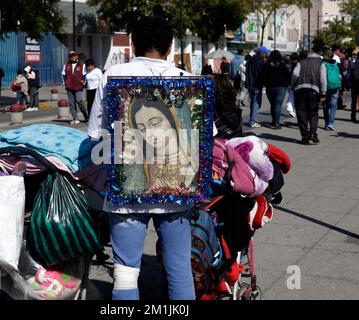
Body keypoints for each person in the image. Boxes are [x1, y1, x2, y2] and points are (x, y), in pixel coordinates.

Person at [87, 15, 195, 300]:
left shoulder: (111, 76)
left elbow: (96, 134)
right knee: (179, 269)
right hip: (179, 194)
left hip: (126, 192)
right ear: (170, 47)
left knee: (125, 271)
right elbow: (204, 137)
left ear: (132, 44)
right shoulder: (188, 82)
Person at [291, 47, 327, 145]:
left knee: (301, 113)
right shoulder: (320, 63)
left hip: (300, 89)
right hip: (314, 90)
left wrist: (293, 85)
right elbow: (323, 78)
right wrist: (323, 92)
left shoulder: (301, 62)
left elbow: (295, 74)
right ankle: (313, 134)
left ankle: (304, 136)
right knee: (313, 113)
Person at [263, 50, 291, 129]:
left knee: (273, 104)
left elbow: (263, 75)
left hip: (270, 87)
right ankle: (276, 123)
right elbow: (288, 75)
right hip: (281, 86)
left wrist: (265, 83)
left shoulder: (267, 64)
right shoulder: (283, 65)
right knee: (278, 105)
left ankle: (273, 120)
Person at [62, 51, 88, 124]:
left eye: (74, 56)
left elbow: (85, 75)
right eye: (71, 56)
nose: (72, 57)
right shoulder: (66, 65)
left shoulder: (82, 65)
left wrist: (83, 83)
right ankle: (75, 118)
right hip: (69, 86)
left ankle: (85, 115)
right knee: (71, 103)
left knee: (79, 100)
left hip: (78, 86)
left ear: (77, 56)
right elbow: (63, 75)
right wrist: (66, 83)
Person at [213, 74, 243, 139]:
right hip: (227, 137)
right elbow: (234, 123)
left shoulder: (213, 99)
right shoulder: (225, 102)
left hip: (221, 135)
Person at [245, 46, 267, 128]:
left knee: (253, 102)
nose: (266, 54)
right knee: (256, 102)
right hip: (256, 84)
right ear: (262, 53)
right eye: (265, 53)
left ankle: (252, 118)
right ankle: (253, 121)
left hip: (250, 83)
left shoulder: (251, 60)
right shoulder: (260, 62)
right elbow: (262, 74)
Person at [322, 50, 342, 131]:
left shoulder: (324, 64)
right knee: (333, 106)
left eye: (324, 55)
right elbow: (340, 76)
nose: (323, 56)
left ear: (327, 56)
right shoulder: (337, 64)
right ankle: (331, 123)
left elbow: (322, 77)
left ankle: (327, 123)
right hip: (336, 86)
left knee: (325, 106)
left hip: (327, 87)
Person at [350, 51, 359, 123]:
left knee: (353, 102)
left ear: (358, 56)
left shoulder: (353, 64)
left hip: (354, 86)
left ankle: (353, 116)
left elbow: (349, 76)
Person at [286, 52, 299, 118]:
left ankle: (291, 109)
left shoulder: (290, 65)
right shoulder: (299, 64)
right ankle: (292, 110)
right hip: (298, 83)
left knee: (291, 96)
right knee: (295, 97)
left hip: (291, 83)